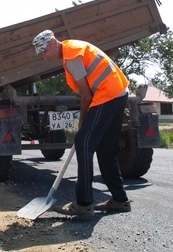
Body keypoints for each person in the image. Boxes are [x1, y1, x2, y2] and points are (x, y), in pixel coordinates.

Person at [32, 29, 132, 216]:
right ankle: (120, 200)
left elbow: (86, 95)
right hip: (119, 92)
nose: (44, 57)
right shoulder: (72, 48)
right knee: (106, 149)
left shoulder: (71, 57)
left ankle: (84, 203)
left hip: (107, 94)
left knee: (83, 143)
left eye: (44, 52)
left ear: (53, 42)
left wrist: (83, 122)